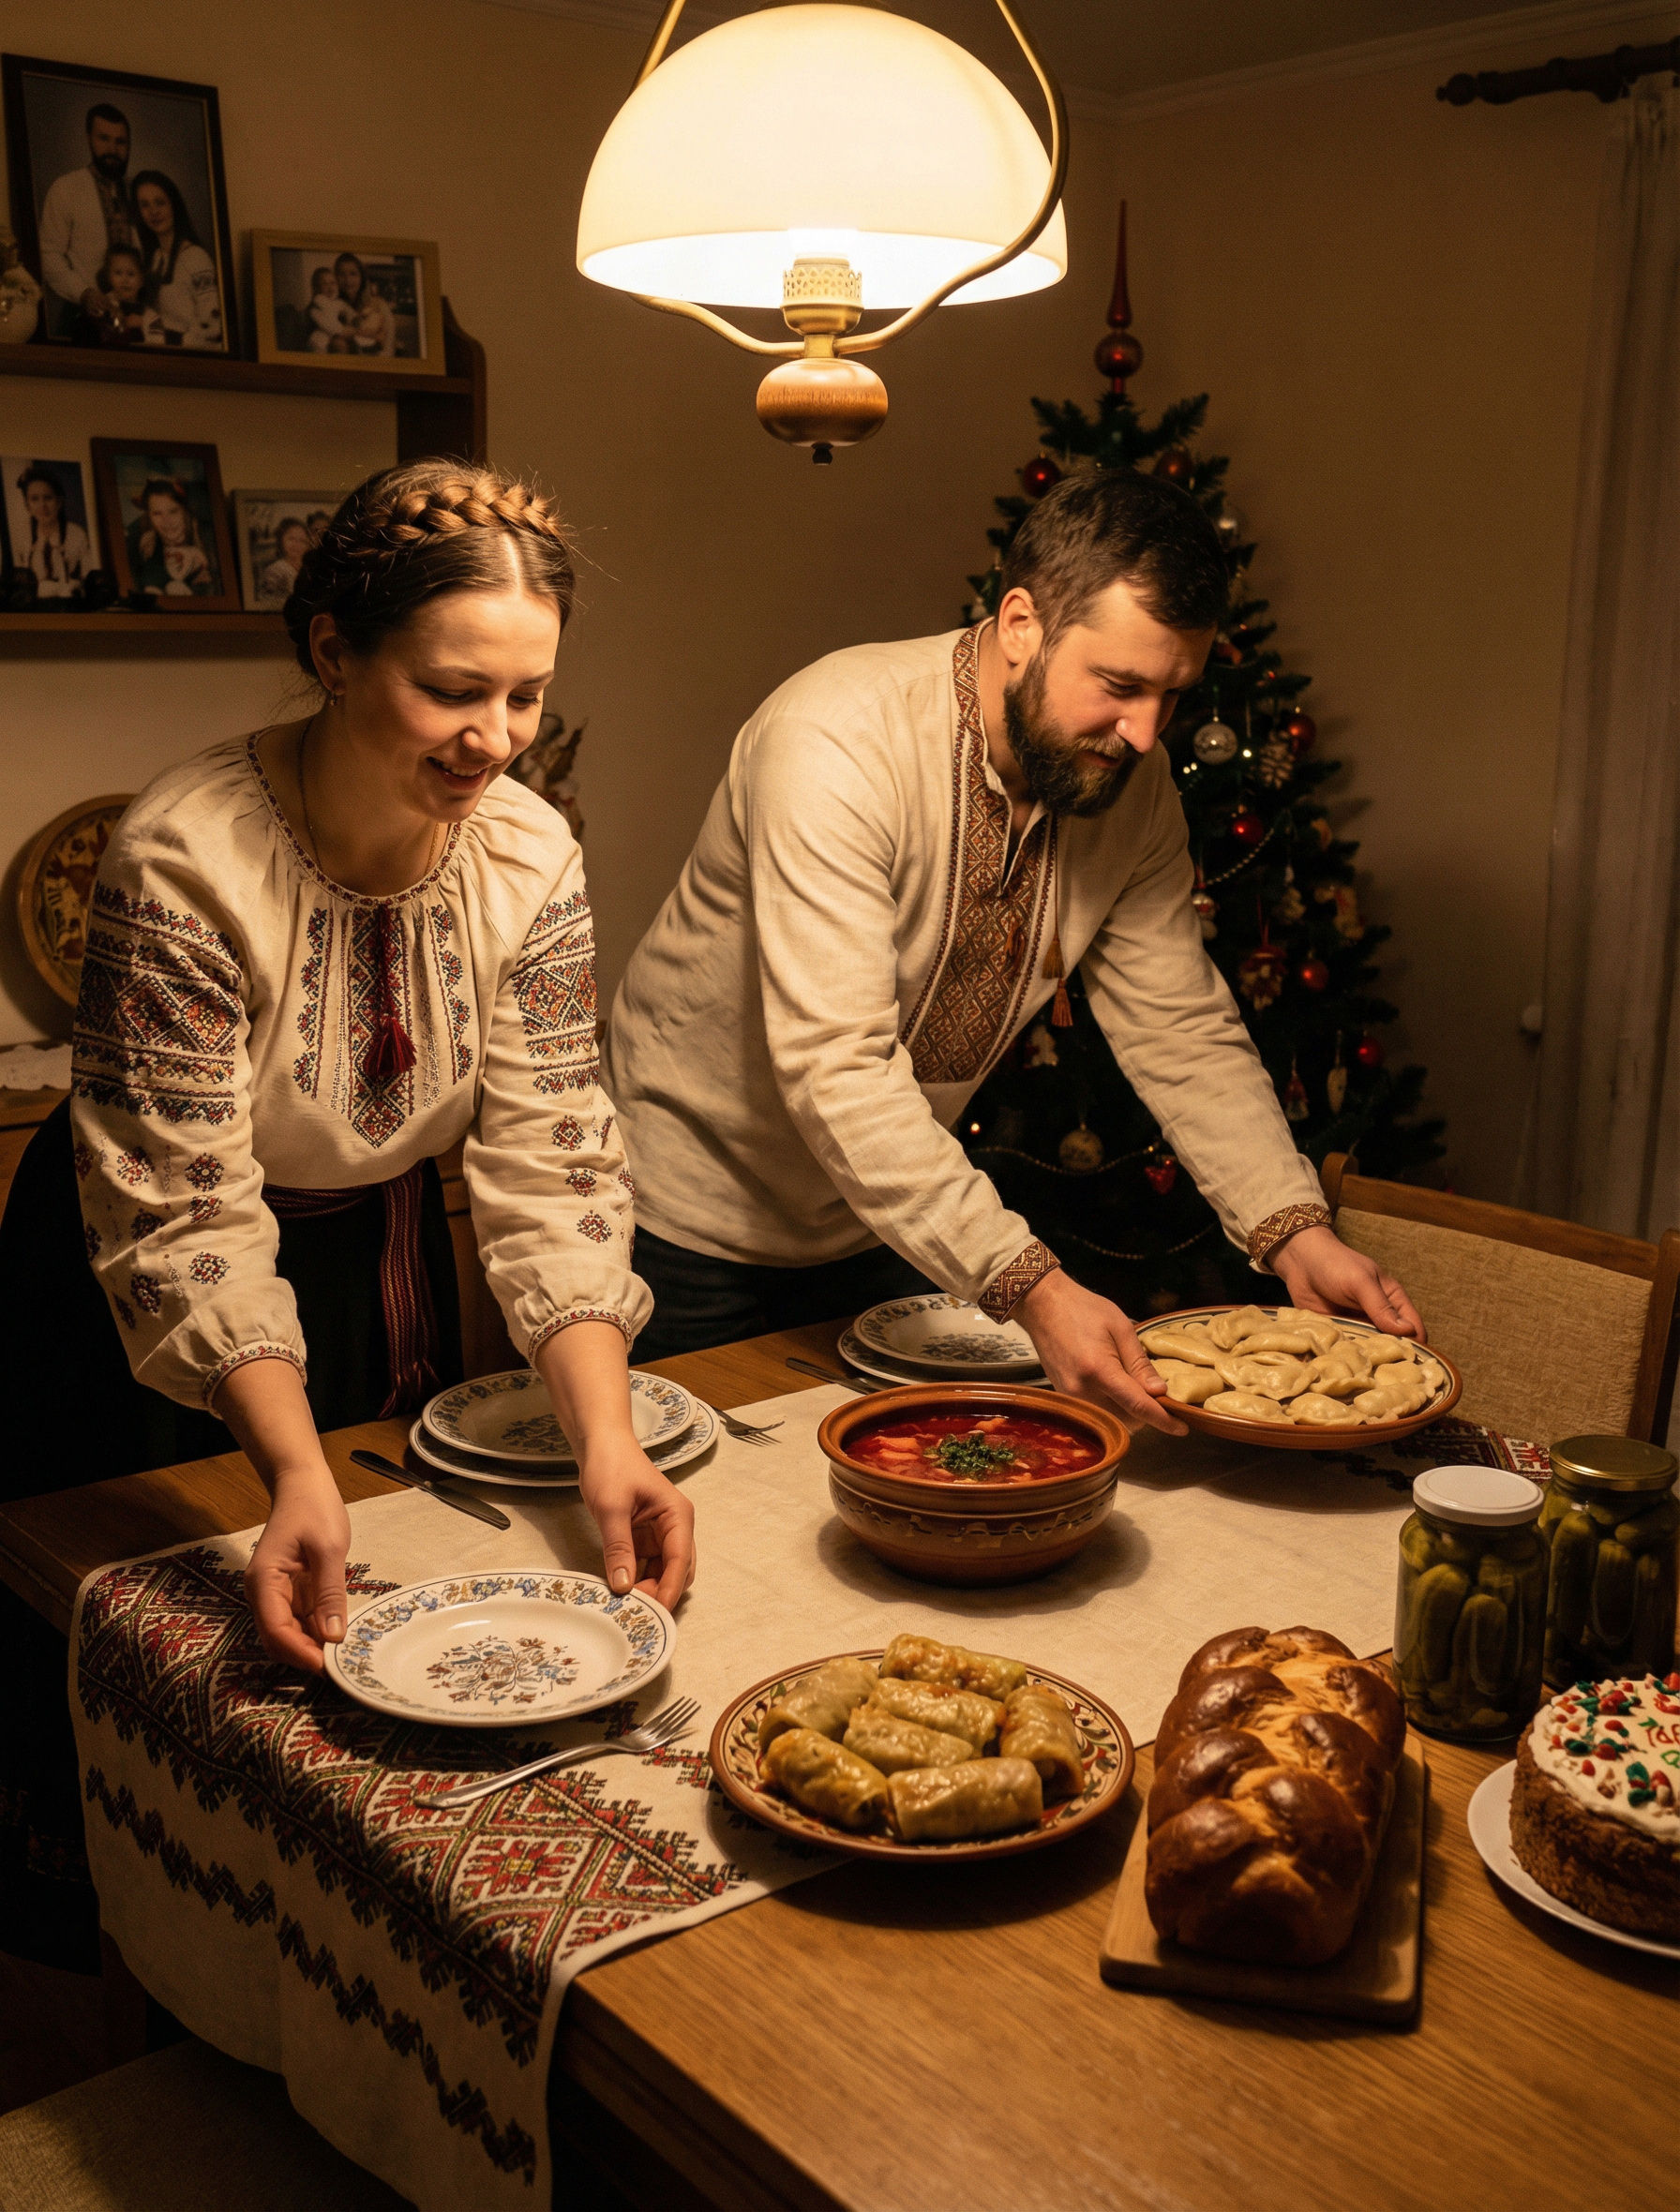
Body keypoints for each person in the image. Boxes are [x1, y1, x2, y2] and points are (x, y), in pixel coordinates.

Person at [0, 459, 693, 1970]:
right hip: (132, 1283)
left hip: (365, 1254)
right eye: (455, 691)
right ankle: (132, 2014)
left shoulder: (531, 851)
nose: (495, 743)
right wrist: (291, 1463)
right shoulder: (187, 854)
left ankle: (346, 1974)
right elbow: (183, 1212)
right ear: (331, 651)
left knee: (360, 1679)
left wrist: (605, 1437)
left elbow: (556, 1159)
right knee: (150, 1687)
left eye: (527, 698)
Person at [604, 471, 1422, 1429]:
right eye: (1118, 685)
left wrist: (1292, 1231)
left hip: (888, 1225)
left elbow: (1181, 1030)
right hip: (685, 1232)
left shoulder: (1135, 785)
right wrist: (1031, 1283)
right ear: (1023, 622)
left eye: (1171, 693)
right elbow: (835, 1070)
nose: (1144, 733)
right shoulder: (833, 739)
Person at [37, 102, 140, 338]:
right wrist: (84, 293)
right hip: (84, 322)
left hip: (140, 322)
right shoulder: (66, 189)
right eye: (104, 139)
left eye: (120, 142)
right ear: (89, 139)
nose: (113, 149)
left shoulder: (141, 193)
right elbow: (49, 255)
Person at [131, 168, 221, 349]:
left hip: (195, 358)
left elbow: (213, 326)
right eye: (145, 205)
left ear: (174, 204)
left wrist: (174, 342)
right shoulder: (156, 258)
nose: (153, 211)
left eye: (160, 202)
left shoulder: (196, 258)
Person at [125, 474, 215, 597]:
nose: (167, 521)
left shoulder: (208, 537)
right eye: (157, 514)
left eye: (173, 511)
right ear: (149, 517)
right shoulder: (146, 546)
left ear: (185, 510)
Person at [12, 461, 92, 598]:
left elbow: (88, 576)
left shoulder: (76, 534)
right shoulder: (21, 536)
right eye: (34, 499)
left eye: (48, 498)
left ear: (59, 502)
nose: (42, 505)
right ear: (27, 505)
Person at [76, 243, 161, 347]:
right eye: (118, 273)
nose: (125, 280)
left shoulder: (149, 315)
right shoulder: (103, 307)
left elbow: (158, 345)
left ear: (141, 280)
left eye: (131, 274)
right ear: (109, 277)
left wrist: (143, 324)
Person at [259, 514, 311, 601]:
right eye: (292, 539)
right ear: (281, 540)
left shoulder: (309, 568)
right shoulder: (275, 570)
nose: (297, 545)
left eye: (302, 541)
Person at [306, 263, 351, 351]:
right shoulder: (315, 308)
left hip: (336, 337)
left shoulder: (339, 303)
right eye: (325, 284)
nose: (330, 288)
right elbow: (334, 328)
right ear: (317, 288)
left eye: (333, 283)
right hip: (319, 341)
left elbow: (351, 314)